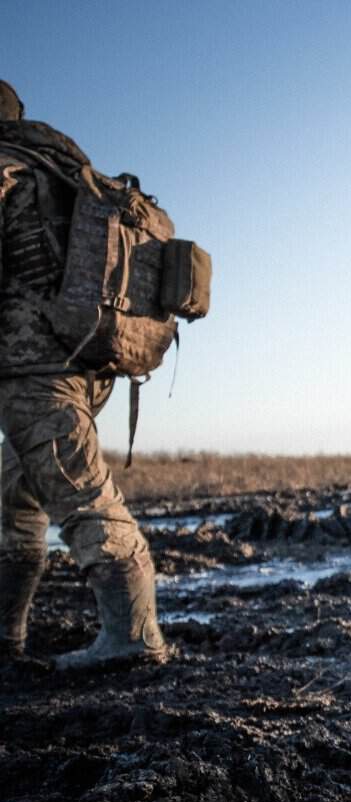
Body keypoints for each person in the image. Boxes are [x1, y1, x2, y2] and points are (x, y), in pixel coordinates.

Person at [0, 79, 169, 669]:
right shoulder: (63, 169)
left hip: (36, 366)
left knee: (80, 492)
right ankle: (7, 637)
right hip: (86, 358)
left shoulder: (10, 167)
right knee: (13, 495)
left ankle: (134, 638)